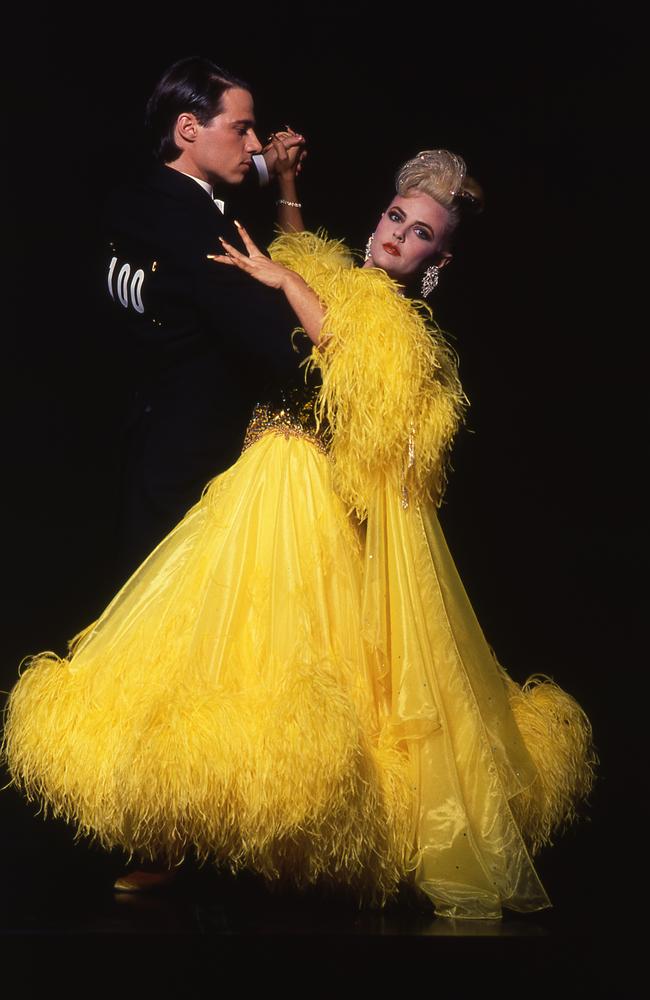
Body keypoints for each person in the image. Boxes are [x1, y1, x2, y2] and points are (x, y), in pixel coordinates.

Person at [2, 149, 595, 920]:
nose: (396, 235)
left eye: (418, 234)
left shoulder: (403, 332)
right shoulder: (343, 282)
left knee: (306, 675)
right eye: (394, 217)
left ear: (436, 259)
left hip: (312, 500)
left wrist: (285, 282)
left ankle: (293, 842)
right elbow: (305, 250)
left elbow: (345, 356)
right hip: (253, 483)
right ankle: (165, 840)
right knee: (197, 654)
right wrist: (285, 187)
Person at [103, 56, 307, 576]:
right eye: (242, 128)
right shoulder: (209, 243)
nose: (256, 143)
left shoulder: (129, 201)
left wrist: (272, 173)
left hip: (139, 451)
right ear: (188, 127)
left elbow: (206, 198)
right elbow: (286, 354)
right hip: (199, 478)